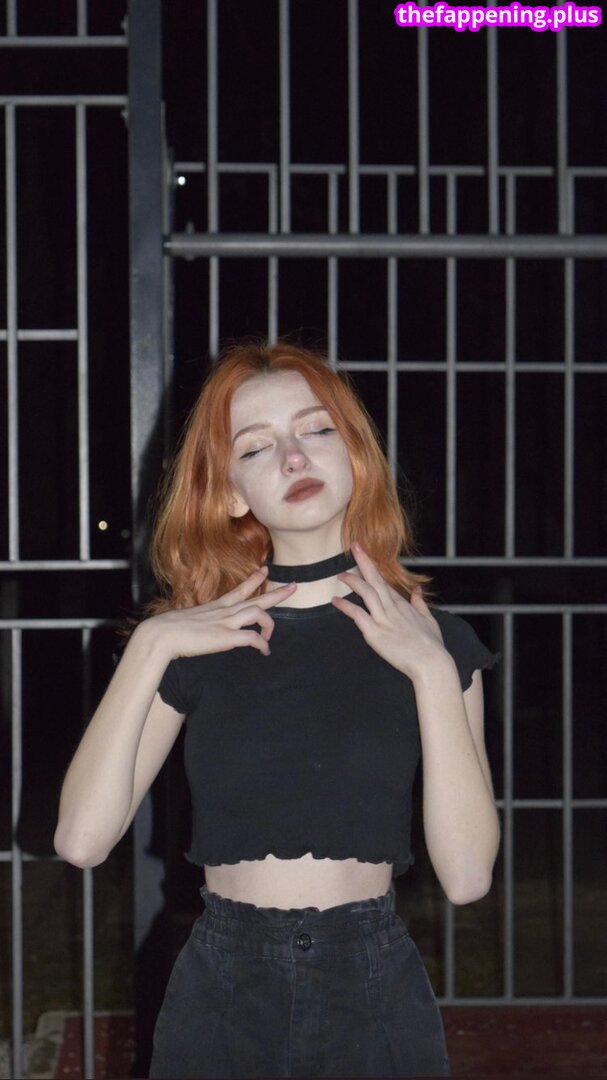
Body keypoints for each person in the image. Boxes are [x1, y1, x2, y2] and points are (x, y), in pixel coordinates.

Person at [54, 339, 500, 1078]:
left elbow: (466, 877)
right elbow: (80, 840)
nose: (294, 458)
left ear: (354, 454)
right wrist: (152, 643)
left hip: (372, 985)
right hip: (224, 991)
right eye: (257, 447)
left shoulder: (433, 641)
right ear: (231, 493)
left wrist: (429, 669)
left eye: (316, 429)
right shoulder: (194, 643)